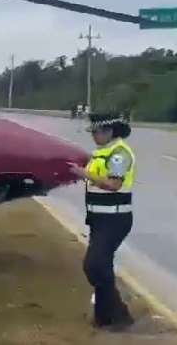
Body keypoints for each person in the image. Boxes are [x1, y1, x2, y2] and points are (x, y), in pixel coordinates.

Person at [68, 113, 136, 330]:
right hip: (99, 219)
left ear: (109, 131)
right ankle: (105, 317)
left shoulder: (119, 154)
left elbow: (114, 184)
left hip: (115, 219)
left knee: (94, 265)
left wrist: (84, 174)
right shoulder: (101, 153)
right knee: (100, 267)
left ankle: (119, 315)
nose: (94, 136)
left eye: (96, 132)